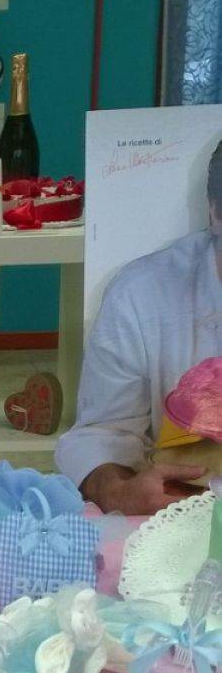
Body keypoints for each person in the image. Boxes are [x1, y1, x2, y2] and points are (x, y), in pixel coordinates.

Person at [57, 138, 222, 513]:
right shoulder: (142, 294)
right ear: (215, 213)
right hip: (187, 513)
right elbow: (104, 434)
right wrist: (118, 491)